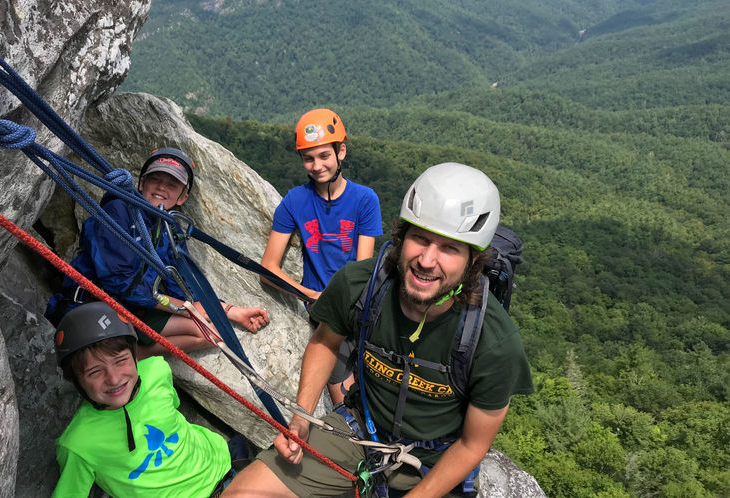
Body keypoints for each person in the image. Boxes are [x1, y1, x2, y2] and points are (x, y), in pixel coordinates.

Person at [225, 163, 534, 497]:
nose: (427, 260)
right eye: (420, 238)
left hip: (433, 462)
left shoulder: (493, 342)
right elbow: (325, 343)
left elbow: (472, 445)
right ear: (401, 237)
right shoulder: (361, 285)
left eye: (449, 248)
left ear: (473, 261)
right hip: (357, 435)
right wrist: (300, 419)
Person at [47, 147, 268, 358]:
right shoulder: (119, 210)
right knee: (206, 328)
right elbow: (119, 280)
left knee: (213, 333)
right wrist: (178, 307)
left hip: (133, 307)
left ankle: (137, 354)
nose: (162, 187)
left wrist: (230, 311)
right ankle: (130, 355)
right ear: (141, 183)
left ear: (182, 197)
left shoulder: (169, 228)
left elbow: (182, 284)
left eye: (172, 184)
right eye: (156, 179)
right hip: (94, 305)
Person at [52, 301, 238, 497]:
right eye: (95, 372)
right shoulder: (78, 444)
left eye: (121, 360)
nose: (114, 379)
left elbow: (172, 412)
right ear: (77, 381)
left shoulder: (156, 370)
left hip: (222, 463)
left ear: (134, 356)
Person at [260, 109, 382, 404]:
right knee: (346, 395)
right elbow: (267, 267)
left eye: (324, 156)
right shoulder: (294, 202)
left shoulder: (365, 200)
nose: (316, 166)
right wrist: (308, 294)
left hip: (357, 301)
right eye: (308, 158)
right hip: (321, 309)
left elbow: (363, 268)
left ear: (341, 152)